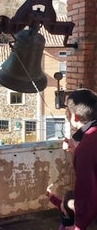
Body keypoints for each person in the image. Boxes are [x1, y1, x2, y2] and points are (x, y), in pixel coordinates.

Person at [62, 88, 97, 230]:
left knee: (69, 199)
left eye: (67, 112)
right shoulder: (87, 145)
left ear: (75, 117)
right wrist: (76, 151)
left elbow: (86, 195)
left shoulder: (86, 147)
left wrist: (78, 226)